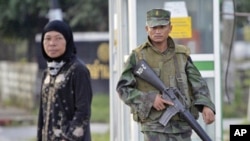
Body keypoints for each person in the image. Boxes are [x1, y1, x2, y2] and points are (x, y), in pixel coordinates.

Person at [116, 8, 216, 141]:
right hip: (154, 128)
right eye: (153, 27)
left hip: (182, 126)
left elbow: (198, 83)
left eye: (162, 27)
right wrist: (150, 99)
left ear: (170, 28)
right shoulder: (138, 56)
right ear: (147, 29)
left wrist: (206, 105)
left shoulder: (181, 55)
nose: (157, 31)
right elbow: (123, 88)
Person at [37, 20, 93, 141]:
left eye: (58, 38)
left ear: (67, 41)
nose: (52, 43)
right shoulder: (47, 73)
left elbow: (83, 112)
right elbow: (42, 115)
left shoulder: (78, 71)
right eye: (47, 38)